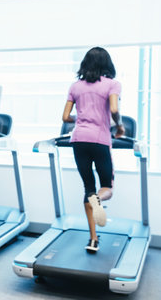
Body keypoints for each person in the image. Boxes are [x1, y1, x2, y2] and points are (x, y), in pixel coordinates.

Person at [62, 46, 125, 253]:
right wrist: (120, 126)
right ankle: (98, 198)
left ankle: (93, 239)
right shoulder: (112, 84)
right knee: (107, 187)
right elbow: (114, 109)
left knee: (88, 187)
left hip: (78, 139)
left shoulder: (75, 86)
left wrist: (80, 118)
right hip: (100, 139)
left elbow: (65, 117)